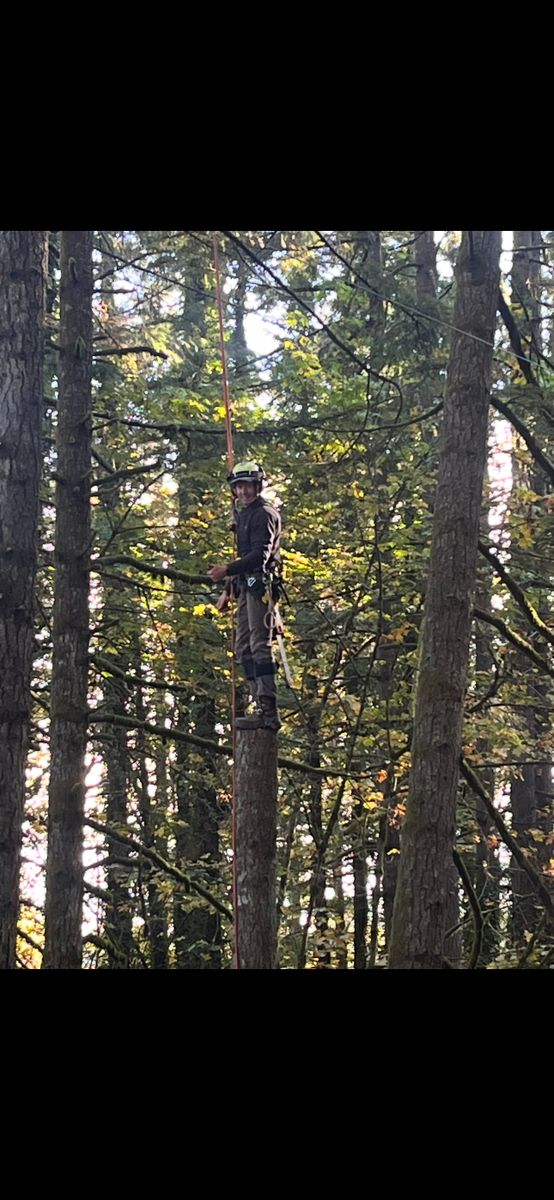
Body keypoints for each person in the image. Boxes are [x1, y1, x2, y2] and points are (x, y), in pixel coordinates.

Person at [208, 461, 282, 731]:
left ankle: (268, 709)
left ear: (257, 486)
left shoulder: (264, 514)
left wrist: (227, 570)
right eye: (239, 487)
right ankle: (258, 701)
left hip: (260, 585)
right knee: (243, 647)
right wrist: (229, 589)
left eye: (248, 486)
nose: (243, 491)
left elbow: (259, 556)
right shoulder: (245, 515)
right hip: (245, 585)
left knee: (259, 644)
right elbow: (244, 556)